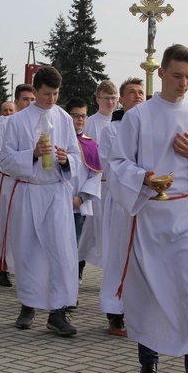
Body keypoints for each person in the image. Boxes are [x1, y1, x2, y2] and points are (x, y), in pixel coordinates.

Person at [107, 44, 188, 373]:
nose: (184, 83)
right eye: (177, 76)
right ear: (161, 74)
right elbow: (117, 162)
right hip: (151, 216)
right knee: (152, 293)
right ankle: (149, 362)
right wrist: (144, 178)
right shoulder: (139, 116)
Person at [0, 66, 81, 336]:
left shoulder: (64, 118)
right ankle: (28, 305)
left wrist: (67, 160)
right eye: (46, 94)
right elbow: (6, 160)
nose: (51, 100)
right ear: (35, 90)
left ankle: (58, 312)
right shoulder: (17, 121)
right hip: (30, 191)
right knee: (29, 251)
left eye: (56, 94)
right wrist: (31, 154)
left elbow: (77, 156)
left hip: (56, 191)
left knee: (61, 252)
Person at [97, 77, 145, 336]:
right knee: (119, 257)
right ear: (122, 100)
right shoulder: (112, 130)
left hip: (149, 204)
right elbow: (113, 165)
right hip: (122, 203)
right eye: (131, 92)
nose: (137, 96)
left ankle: (141, 311)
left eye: (141, 92)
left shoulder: (153, 126)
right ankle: (115, 312)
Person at [0, 84, 36, 287]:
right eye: (25, 99)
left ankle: (28, 268)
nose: (29, 103)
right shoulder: (7, 123)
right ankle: (3, 266)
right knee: (6, 225)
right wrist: (19, 166)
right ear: (16, 102)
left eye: (33, 100)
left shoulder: (40, 122)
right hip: (10, 181)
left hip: (32, 184)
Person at [76, 80, 118, 278]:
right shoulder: (90, 123)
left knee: (113, 232)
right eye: (106, 98)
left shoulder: (122, 122)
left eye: (113, 98)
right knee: (88, 232)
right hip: (96, 186)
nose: (110, 102)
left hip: (115, 187)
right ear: (97, 99)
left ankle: (113, 274)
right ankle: (78, 270)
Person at [66, 98, 102, 284]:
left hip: (77, 206)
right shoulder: (58, 141)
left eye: (83, 116)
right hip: (55, 202)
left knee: (74, 246)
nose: (80, 120)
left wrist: (81, 198)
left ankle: (71, 285)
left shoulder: (90, 145)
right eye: (75, 116)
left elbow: (95, 175)